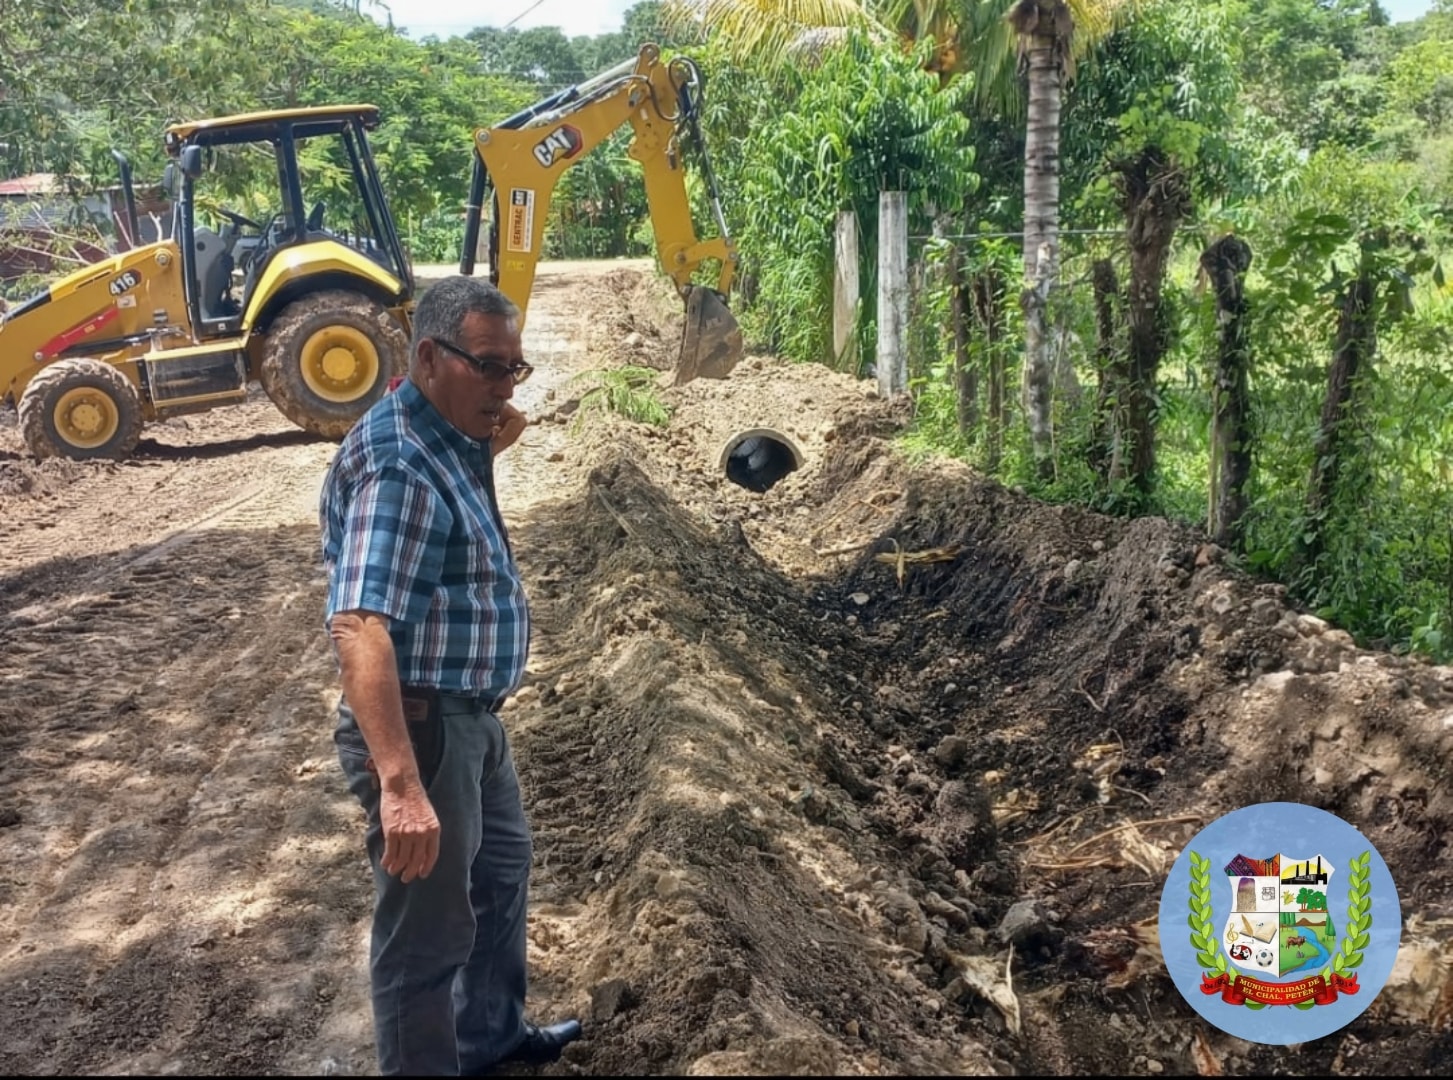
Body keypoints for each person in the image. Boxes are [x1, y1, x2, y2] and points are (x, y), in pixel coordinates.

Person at [319, 275, 582, 1076]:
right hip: (425, 727)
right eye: (490, 366)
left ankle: (492, 1043)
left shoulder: (444, 433)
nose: (505, 386)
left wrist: (489, 427)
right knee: (425, 942)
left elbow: (493, 434)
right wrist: (400, 786)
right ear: (428, 358)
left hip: (471, 718)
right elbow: (360, 625)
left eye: (515, 369)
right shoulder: (402, 466)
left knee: (500, 880)